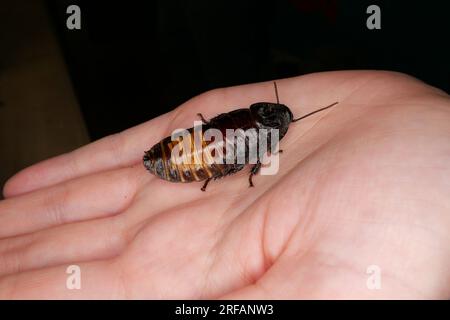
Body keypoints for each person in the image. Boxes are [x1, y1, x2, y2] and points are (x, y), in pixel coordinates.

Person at [0, 70, 449, 299]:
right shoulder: (259, 138)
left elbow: (242, 148)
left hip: (202, 149)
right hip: (191, 151)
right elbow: (246, 151)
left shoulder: (258, 136)